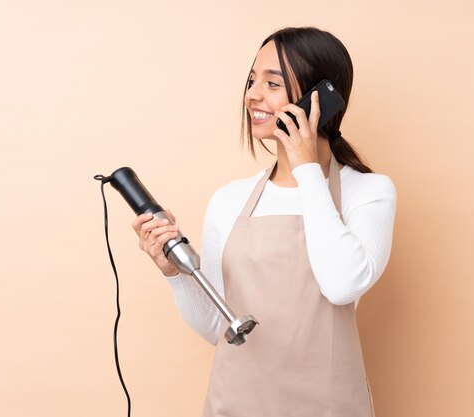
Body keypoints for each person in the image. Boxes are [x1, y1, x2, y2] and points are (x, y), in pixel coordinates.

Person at [132, 27, 396, 417]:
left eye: (272, 83)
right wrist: (174, 273)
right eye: (252, 80)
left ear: (320, 96)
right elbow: (216, 327)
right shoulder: (229, 200)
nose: (252, 95)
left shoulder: (369, 192)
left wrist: (307, 169)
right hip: (237, 405)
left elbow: (341, 286)